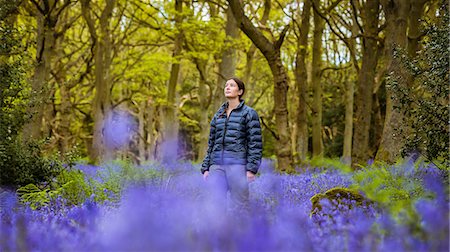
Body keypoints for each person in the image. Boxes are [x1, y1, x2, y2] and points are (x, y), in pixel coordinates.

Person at [201, 77, 262, 213]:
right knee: (215, 205)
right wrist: (206, 168)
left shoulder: (249, 113)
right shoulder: (218, 115)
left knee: (240, 206)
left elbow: (255, 143)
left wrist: (251, 169)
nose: (227, 87)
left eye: (232, 85)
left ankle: (242, 233)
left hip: (238, 165)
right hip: (216, 165)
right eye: (226, 85)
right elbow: (211, 143)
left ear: (240, 91)